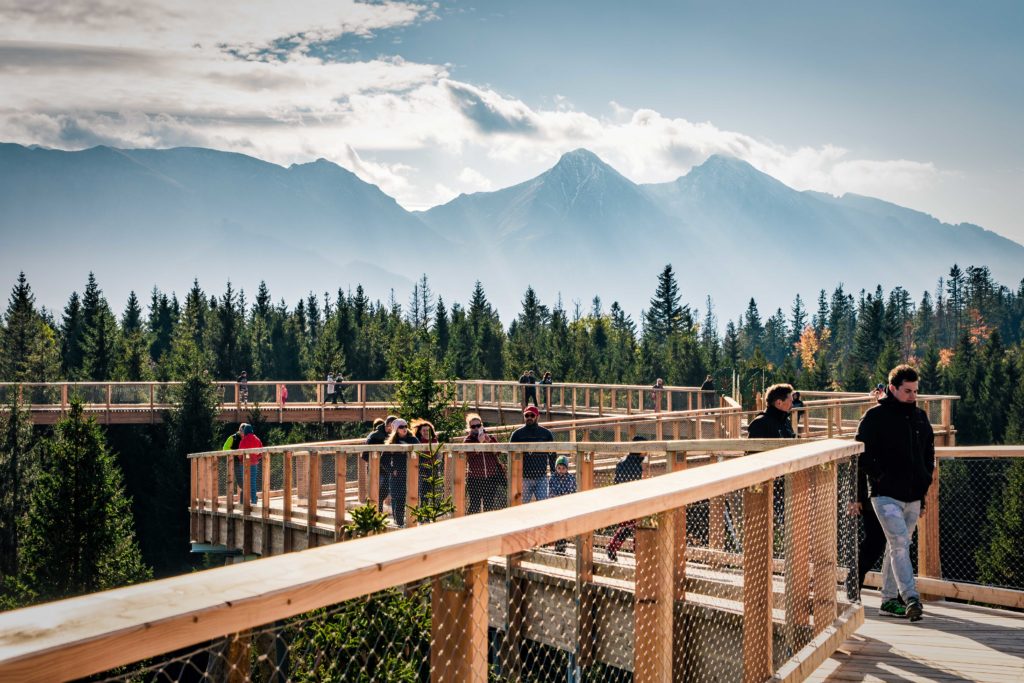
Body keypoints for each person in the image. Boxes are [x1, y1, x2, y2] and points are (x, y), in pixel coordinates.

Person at [855, 364, 934, 622]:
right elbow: (862, 452)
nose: (913, 396)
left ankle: (888, 600)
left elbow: (927, 455)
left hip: (912, 495)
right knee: (900, 543)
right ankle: (911, 597)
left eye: (915, 391)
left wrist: (923, 488)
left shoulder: (920, 418)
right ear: (892, 388)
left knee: (897, 545)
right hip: (885, 494)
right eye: (907, 391)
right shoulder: (875, 416)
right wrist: (880, 477)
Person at [606, 436, 647, 561]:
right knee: (634, 527)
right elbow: (636, 484)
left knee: (627, 527)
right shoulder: (636, 465)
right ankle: (638, 553)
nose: (646, 452)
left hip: (621, 497)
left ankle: (614, 547)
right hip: (632, 499)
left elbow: (617, 481)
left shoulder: (622, 462)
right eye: (645, 449)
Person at [509, 405, 555, 503]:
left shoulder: (546, 434)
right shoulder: (517, 434)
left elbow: (552, 454)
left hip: (541, 477)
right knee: (522, 506)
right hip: (524, 477)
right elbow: (511, 455)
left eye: (532, 415)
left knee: (543, 505)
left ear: (537, 416)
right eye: (527, 415)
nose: (529, 417)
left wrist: (553, 472)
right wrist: (513, 474)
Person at [464, 413, 504, 514]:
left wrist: (489, 441)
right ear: (469, 428)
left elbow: (498, 452)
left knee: (489, 505)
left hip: (491, 476)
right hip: (475, 478)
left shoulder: (489, 437)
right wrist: (479, 442)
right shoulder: (468, 440)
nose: (476, 428)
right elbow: (468, 454)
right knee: (474, 505)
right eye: (473, 426)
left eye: (478, 425)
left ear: (482, 425)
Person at [383, 418, 419, 527]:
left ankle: (412, 520)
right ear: (396, 429)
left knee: (413, 497)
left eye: (405, 426)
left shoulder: (413, 440)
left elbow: (420, 454)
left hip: (411, 473)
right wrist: (391, 470)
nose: (404, 429)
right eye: (401, 427)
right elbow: (384, 460)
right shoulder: (392, 443)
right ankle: (399, 522)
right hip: (397, 475)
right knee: (399, 499)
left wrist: (419, 467)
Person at [365, 415, 398, 511]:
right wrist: (376, 462)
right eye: (390, 426)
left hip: (387, 468)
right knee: (375, 491)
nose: (391, 428)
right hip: (376, 468)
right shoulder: (375, 436)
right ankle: (374, 513)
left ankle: (378, 512)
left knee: (384, 491)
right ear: (386, 425)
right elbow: (365, 454)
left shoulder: (394, 436)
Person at [549, 456, 577, 552]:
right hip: (556, 505)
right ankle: (558, 545)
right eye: (559, 468)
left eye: (563, 468)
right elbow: (551, 492)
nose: (561, 470)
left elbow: (572, 492)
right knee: (557, 525)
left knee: (564, 526)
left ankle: (562, 545)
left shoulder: (570, 478)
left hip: (566, 506)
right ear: (556, 468)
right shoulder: (553, 478)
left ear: (567, 468)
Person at [411, 419, 441, 502]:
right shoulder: (418, 442)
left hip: (433, 469)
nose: (426, 432)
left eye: (428, 430)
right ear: (420, 431)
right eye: (424, 430)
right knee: (423, 492)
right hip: (422, 470)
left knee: (432, 491)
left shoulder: (435, 441)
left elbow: (438, 455)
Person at [238, 423, 263, 505]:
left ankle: (246, 501)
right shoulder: (257, 439)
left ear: (245, 431)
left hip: (244, 464)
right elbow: (260, 452)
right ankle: (254, 500)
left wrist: (240, 459)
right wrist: (256, 458)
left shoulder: (243, 440)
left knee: (245, 482)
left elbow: (240, 454)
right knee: (253, 482)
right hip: (254, 464)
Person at [222, 424, 245, 504]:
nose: (243, 433)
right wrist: (236, 452)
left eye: (245, 431)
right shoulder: (233, 437)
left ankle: (243, 503)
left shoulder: (247, 438)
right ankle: (243, 503)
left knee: (245, 483)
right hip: (235, 463)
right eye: (242, 431)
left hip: (245, 463)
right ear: (240, 430)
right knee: (242, 483)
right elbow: (225, 448)